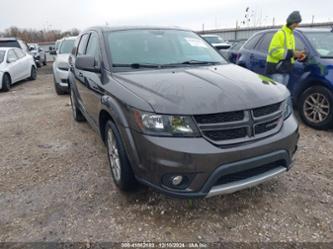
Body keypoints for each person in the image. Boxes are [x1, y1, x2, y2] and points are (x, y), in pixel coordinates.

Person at [266, 11, 306, 86]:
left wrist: (297, 56)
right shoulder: (280, 34)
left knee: (283, 94)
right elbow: (273, 51)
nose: (297, 25)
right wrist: (292, 53)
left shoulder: (291, 36)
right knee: (278, 95)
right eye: (296, 22)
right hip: (276, 70)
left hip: (286, 70)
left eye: (298, 23)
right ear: (291, 21)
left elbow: (289, 54)